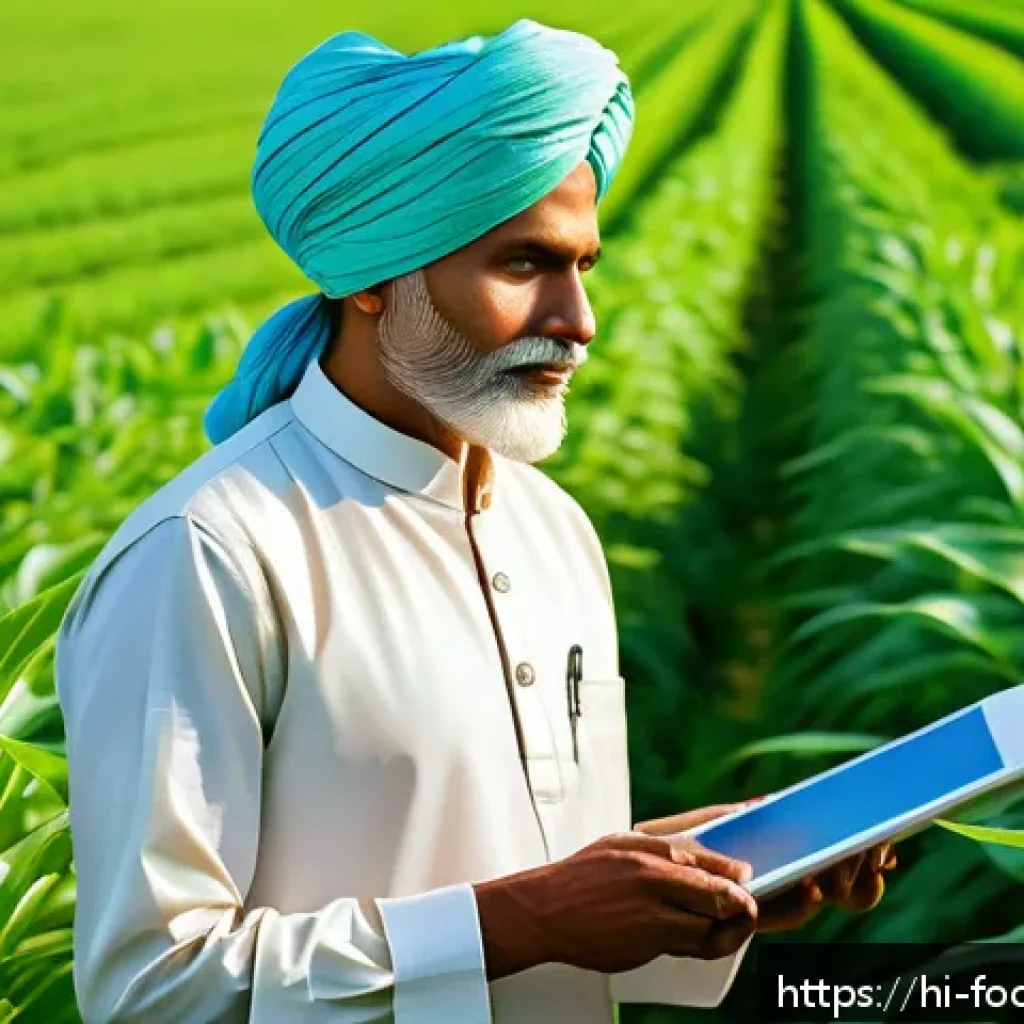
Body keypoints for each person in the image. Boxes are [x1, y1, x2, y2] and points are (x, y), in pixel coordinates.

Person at [54, 19, 894, 1024]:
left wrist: (703, 875)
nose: (577, 319)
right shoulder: (212, 554)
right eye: (523, 264)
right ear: (371, 276)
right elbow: (149, 987)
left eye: (583, 264)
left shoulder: (554, 530)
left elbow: (535, 892)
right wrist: (521, 921)